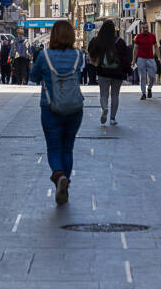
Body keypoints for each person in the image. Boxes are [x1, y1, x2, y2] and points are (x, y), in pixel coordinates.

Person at [29, 21, 84, 205]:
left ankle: (59, 176)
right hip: (75, 108)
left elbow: (33, 77)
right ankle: (65, 182)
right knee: (67, 147)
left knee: (54, 147)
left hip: (50, 108)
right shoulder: (78, 55)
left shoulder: (45, 56)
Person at [88, 19, 130, 125]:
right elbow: (126, 58)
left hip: (103, 72)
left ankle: (105, 108)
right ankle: (112, 118)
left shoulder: (97, 40)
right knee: (115, 95)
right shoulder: (120, 42)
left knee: (103, 94)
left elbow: (90, 52)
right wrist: (127, 71)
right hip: (117, 73)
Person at [132, 22, 158, 100]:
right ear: (141, 29)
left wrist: (159, 57)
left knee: (152, 76)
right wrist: (133, 60)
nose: (146, 29)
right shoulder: (138, 37)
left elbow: (156, 47)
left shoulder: (152, 36)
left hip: (151, 58)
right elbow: (135, 48)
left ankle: (149, 88)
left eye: (147, 27)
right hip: (141, 59)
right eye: (144, 28)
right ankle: (143, 93)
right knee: (142, 77)